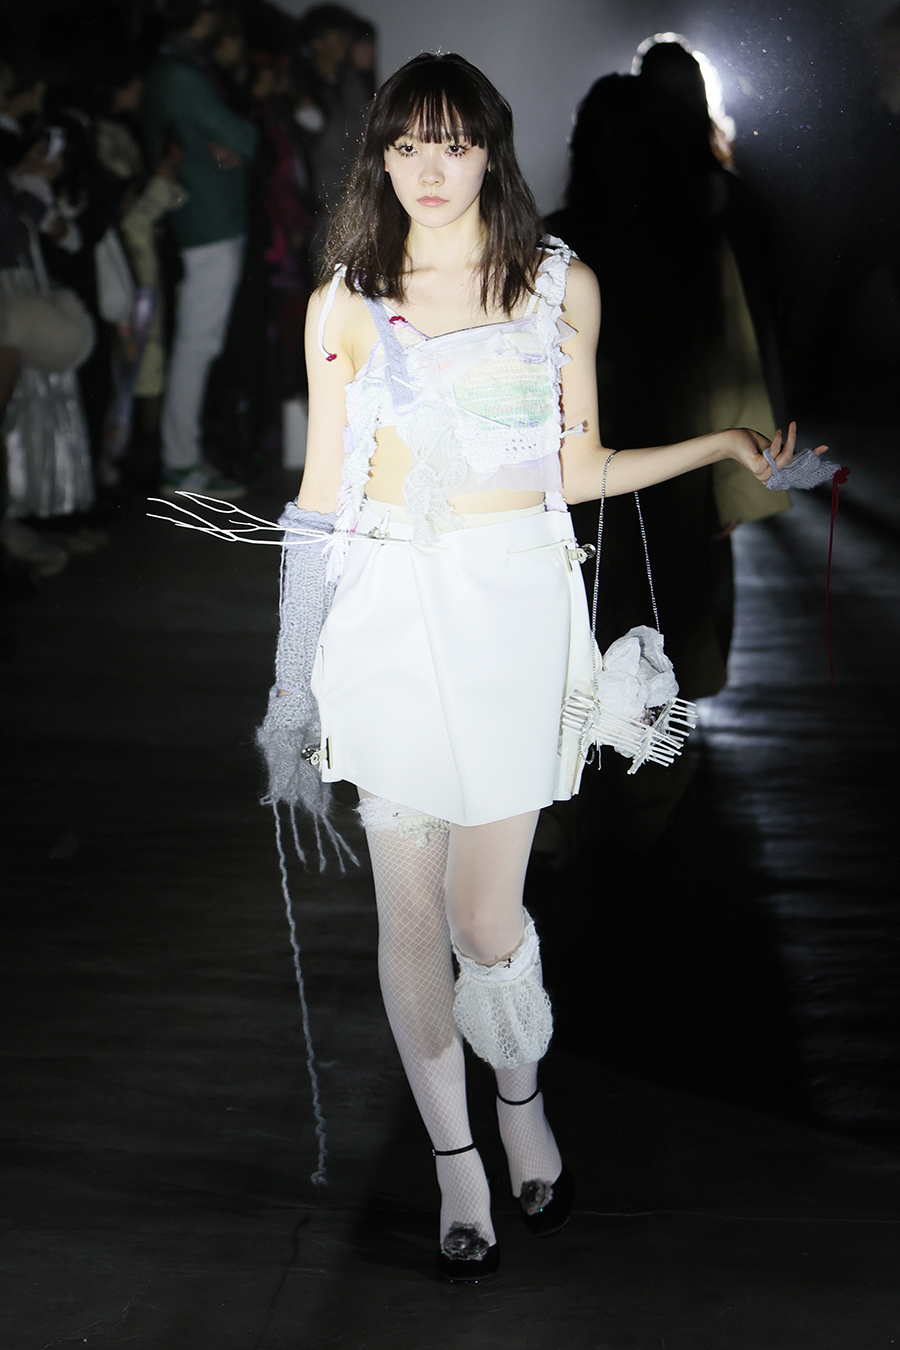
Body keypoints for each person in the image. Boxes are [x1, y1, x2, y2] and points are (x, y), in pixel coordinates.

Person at [255, 52, 824, 1283]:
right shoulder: (347, 301)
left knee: (485, 913)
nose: (429, 170)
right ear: (381, 157)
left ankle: (521, 1102)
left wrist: (724, 444)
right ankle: (458, 1165)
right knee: (411, 917)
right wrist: (292, 681)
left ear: (491, 152)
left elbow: (579, 470)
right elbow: (319, 502)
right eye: (407, 145)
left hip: (514, 613)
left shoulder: (559, 284)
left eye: (453, 144)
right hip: (389, 617)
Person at [143, 0, 257, 499]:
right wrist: (236, 142)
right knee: (196, 346)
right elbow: (245, 137)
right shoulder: (182, 74)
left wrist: (232, 144)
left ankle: (182, 459)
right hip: (206, 222)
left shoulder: (173, 68)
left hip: (203, 219)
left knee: (196, 345)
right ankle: (180, 462)